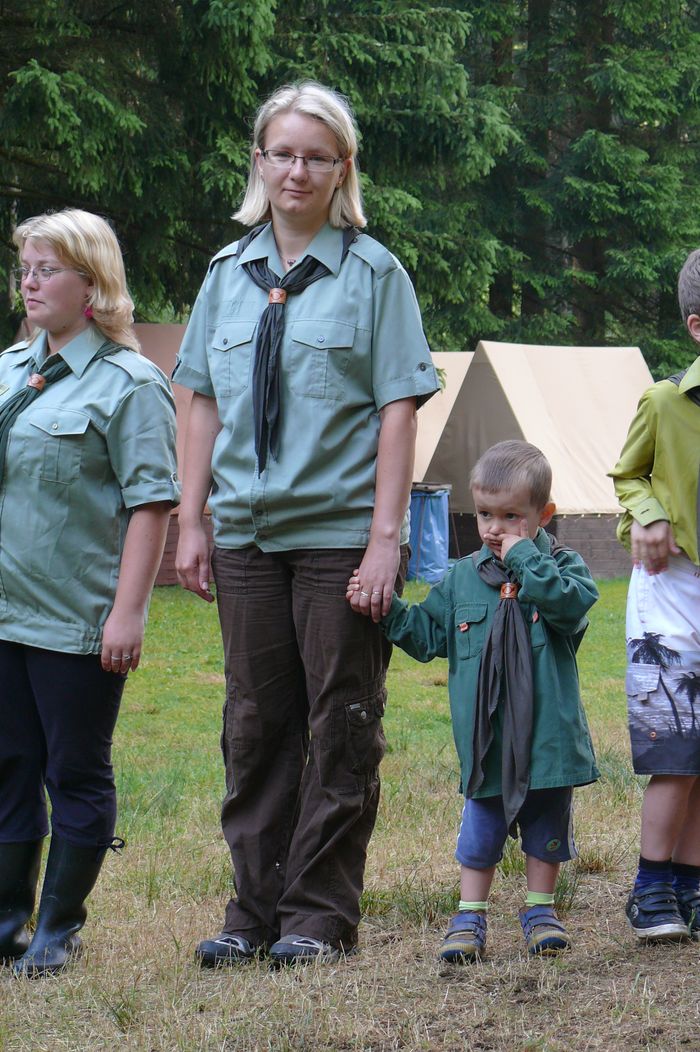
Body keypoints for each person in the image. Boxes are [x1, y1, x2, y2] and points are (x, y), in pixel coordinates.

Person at [173, 81, 438, 966]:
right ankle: (251, 914)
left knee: (341, 723)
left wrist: (385, 542)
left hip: (338, 539)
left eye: (317, 156)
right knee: (253, 723)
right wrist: (191, 520)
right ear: (260, 161)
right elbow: (201, 402)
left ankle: (316, 919)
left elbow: (398, 411)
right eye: (283, 153)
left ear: (342, 169)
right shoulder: (226, 275)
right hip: (245, 538)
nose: (298, 170)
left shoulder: (375, 275)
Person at [0, 208, 180, 977]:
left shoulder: (131, 385)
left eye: (47, 270)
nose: (30, 283)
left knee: (73, 771)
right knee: (7, 765)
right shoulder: (8, 370)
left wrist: (127, 612)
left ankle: (57, 930)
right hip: (4, 612)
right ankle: (7, 923)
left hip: (74, 617)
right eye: (25, 269)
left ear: (93, 284)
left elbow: (152, 504)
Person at [349, 440, 599, 961]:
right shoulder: (462, 577)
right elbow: (427, 637)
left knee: (546, 824)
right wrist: (387, 608)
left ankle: (540, 909)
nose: (494, 529)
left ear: (543, 515)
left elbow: (569, 609)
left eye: (511, 516)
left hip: (547, 734)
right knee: (481, 826)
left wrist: (526, 559)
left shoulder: (562, 569)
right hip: (488, 735)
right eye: (485, 514)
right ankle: (470, 915)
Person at [610, 248, 700, 944]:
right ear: (697, 327)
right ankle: (650, 886)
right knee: (676, 750)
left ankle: (691, 886)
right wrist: (649, 516)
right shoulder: (665, 402)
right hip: (671, 592)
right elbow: (627, 474)